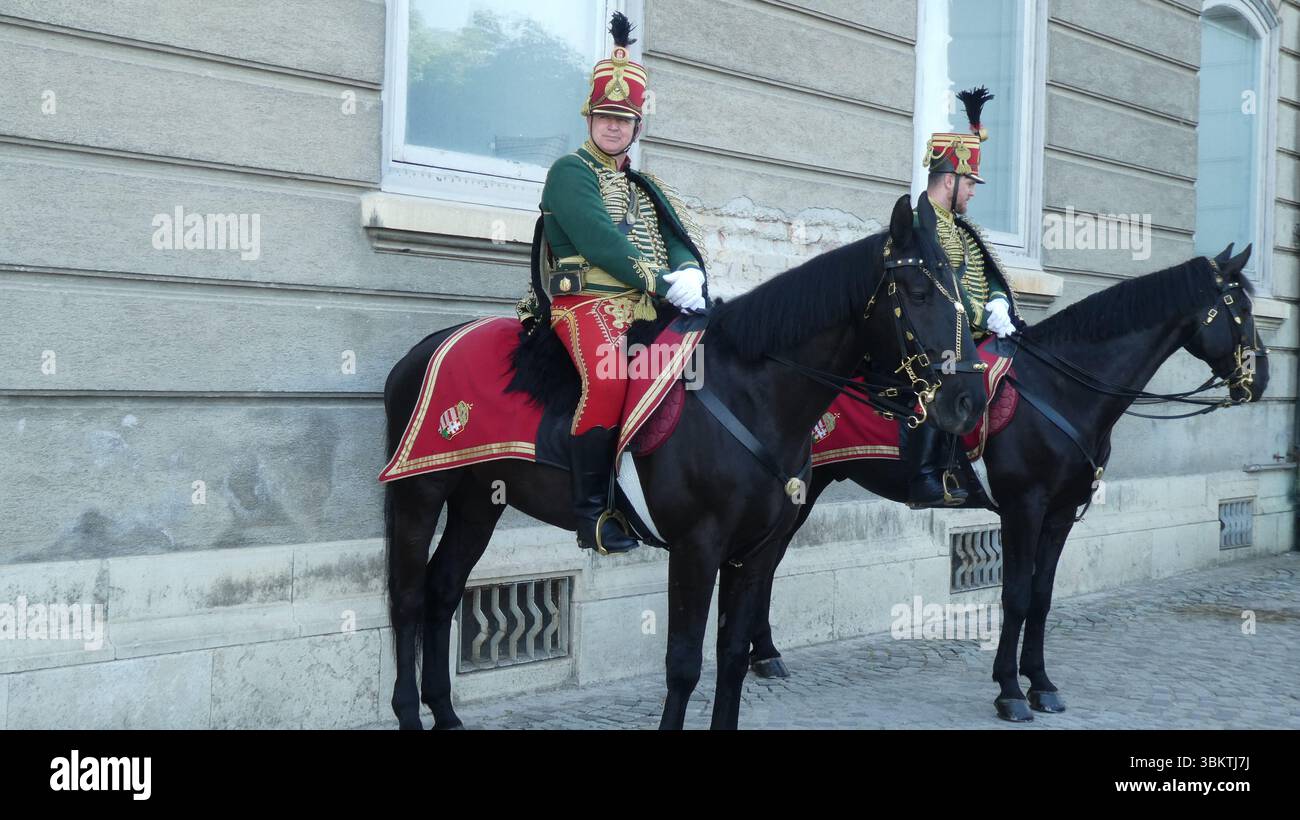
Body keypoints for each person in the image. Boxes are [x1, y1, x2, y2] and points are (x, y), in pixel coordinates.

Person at [536, 12, 708, 553]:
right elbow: (601, 242)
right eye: (606, 116)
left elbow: (676, 233)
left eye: (624, 119)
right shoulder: (570, 172)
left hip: (646, 304)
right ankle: (593, 513)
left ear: (637, 126)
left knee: (704, 367)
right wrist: (662, 281)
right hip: (586, 304)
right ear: (590, 117)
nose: (614, 126)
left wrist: (690, 272)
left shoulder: (644, 183)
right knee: (608, 380)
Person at [905, 86, 1025, 508]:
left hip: (972, 333)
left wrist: (996, 302)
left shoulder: (961, 230)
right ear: (950, 179)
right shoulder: (920, 226)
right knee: (950, 372)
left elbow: (988, 275)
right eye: (970, 183)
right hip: (933, 341)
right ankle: (929, 474)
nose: (973, 192)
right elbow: (932, 291)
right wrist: (978, 314)